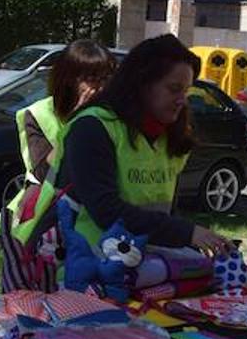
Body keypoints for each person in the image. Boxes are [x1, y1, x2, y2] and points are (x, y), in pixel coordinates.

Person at [54, 34, 232, 257]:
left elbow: (167, 213)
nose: (181, 100)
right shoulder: (93, 127)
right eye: (174, 89)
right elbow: (105, 211)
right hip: (88, 269)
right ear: (141, 84)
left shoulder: (171, 136)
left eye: (185, 91)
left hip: (145, 266)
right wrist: (186, 233)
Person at [0, 40, 115, 291]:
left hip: (91, 225)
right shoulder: (37, 114)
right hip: (40, 221)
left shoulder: (112, 118)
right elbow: (42, 170)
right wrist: (77, 123)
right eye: (92, 78)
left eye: (106, 78)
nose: (99, 88)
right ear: (68, 79)